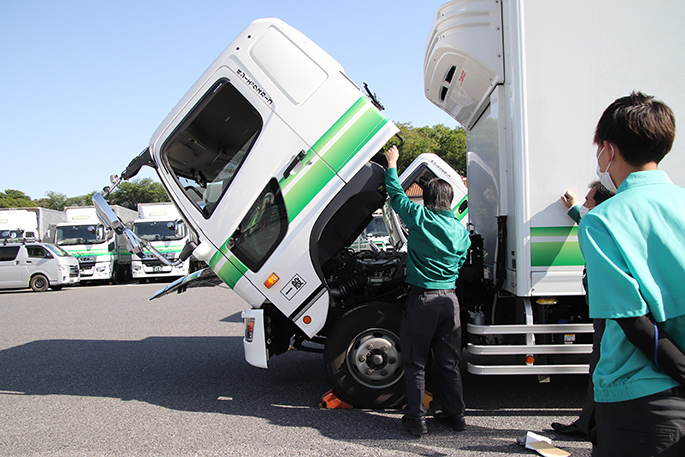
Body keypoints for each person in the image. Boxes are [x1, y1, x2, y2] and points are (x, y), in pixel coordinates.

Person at [578, 92, 685, 456]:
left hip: (639, 398)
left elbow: (633, 322)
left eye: (598, 149)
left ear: (608, 149)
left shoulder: (602, 220)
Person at [383, 145, 471, 437]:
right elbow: (462, 258)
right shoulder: (460, 230)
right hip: (450, 301)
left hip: (422, 300)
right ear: (449, 200)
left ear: (428, 198)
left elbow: (396, 196)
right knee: (449, 362)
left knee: (415, 362)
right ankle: (456, 416)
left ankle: (417, 420)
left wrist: (392, 164)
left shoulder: (420, 219)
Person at [552, 181, 614, 439]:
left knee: (600, 366)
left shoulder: (602, 226)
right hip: (604, 308)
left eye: (589, 200)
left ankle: (591, 424)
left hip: (607, 310)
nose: (586, 204)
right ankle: (594, 422)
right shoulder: (604, 224)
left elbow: (589, 220)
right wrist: (575, 207)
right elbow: (586, 219)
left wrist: (579, 210)